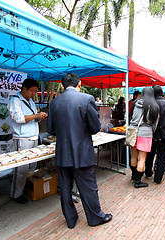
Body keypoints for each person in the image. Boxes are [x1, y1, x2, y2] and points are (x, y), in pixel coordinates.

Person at [47, 73, 112, 228]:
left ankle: (70, 220)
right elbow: (95, 127)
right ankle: (95, 217)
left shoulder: (54, 103)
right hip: (82, 151)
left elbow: (51, 129)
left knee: (65, 188)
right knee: (88, 186)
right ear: (79, 84)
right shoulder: (86, 99)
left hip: (62, 152)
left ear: (63, 86)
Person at [8, 78, 48, 204]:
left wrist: (39, 117)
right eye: (32, 91)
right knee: (21, 169)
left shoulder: (30, 101)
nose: (34, 94)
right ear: (24, 88)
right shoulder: (15, 101)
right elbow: (19, 119)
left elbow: (32, 117)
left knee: (32, 166)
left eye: (35, 91)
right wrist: (36, 115)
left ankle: (27, 188)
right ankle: (16, 194)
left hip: (33, 137)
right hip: (22, 139)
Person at [144, 86, 165, 184]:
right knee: (162, 156)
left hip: (151, 134)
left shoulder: (150, 104)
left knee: (149, 155)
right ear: (162, 92)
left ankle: (148, 173)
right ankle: (158, 178)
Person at [129, 87, 159, 188]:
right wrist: (151, 132)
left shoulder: (135, 103)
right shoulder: (154, 106)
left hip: (133, 132)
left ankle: (133, 176)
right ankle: (138, 181)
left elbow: (131, 117)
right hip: (145, 133)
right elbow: (155, 124)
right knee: (142, 159)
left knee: (134, 156)